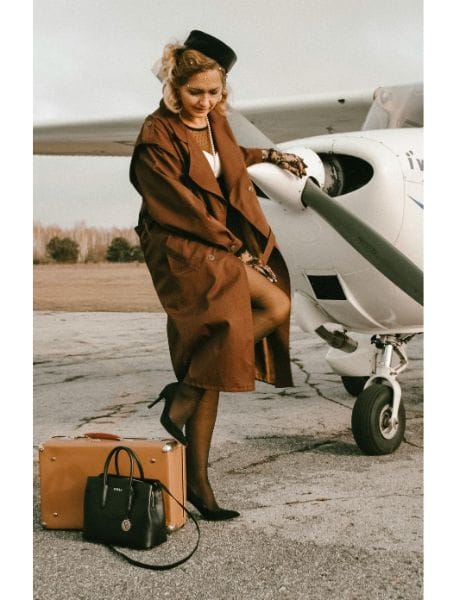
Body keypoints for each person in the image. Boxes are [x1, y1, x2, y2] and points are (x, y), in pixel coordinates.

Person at [130, 30, 307, 521]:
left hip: (215, 249)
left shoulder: (215, 123)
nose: (205, 102)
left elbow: (227, 161)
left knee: (209, 366)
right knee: (273, 306)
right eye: (195, 93)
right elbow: (179, 207)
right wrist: (236, 250)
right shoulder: (156, 135)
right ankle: (184, 400)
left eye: (214, 93)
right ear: (173, 87)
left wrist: (270, 155)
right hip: (185, 253)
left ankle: (200, 482)